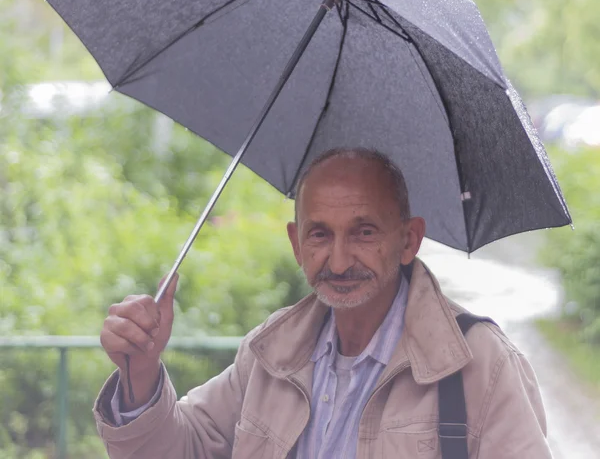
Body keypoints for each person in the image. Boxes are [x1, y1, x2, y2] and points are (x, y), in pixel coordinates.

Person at [94, 147, 552, 458]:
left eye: (363, 231)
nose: (338, 259)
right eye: (320, 234)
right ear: (296, 243)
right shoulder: (271, 355)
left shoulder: (479, 364)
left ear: (409, 239)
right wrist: (141, 373)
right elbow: (180, 448)